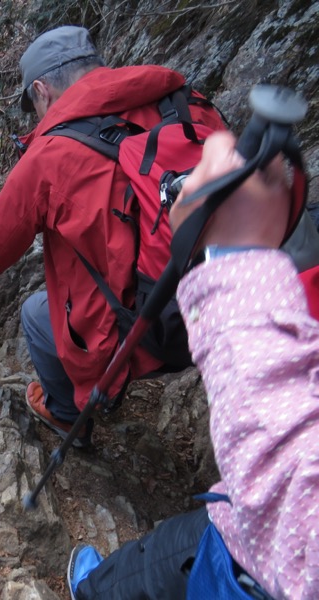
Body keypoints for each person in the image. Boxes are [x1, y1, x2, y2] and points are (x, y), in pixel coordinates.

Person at [0, 25, 224, 447]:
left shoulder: (49, 158)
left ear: (41, 90)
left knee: (34, 313)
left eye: (32, 104)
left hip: (155, 331)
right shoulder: (185, 101)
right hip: (235, 297)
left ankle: (68, 417)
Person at [67, 130, 318, 599]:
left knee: (158, 563)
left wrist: (237, 259)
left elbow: (290, 495)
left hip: (254, 562)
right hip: (258, 539)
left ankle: (91, 590)